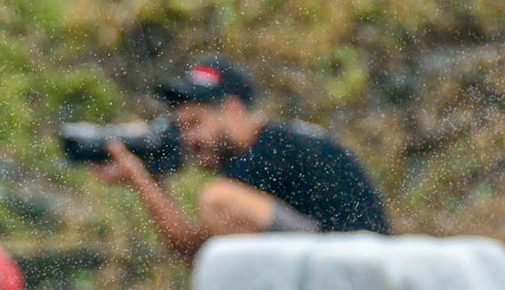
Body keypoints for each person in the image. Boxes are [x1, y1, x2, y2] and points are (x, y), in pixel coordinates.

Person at [93, 56, 388, 258]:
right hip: (342, 256)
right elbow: (202, 253)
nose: (188, 139)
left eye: (195, 124)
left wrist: (142, 179)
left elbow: (198, 255)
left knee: (219, 200)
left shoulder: (273, 149)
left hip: (354, 261)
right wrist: (147, 178)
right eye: (181, 128)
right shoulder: (266, 144)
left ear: (233, 110)